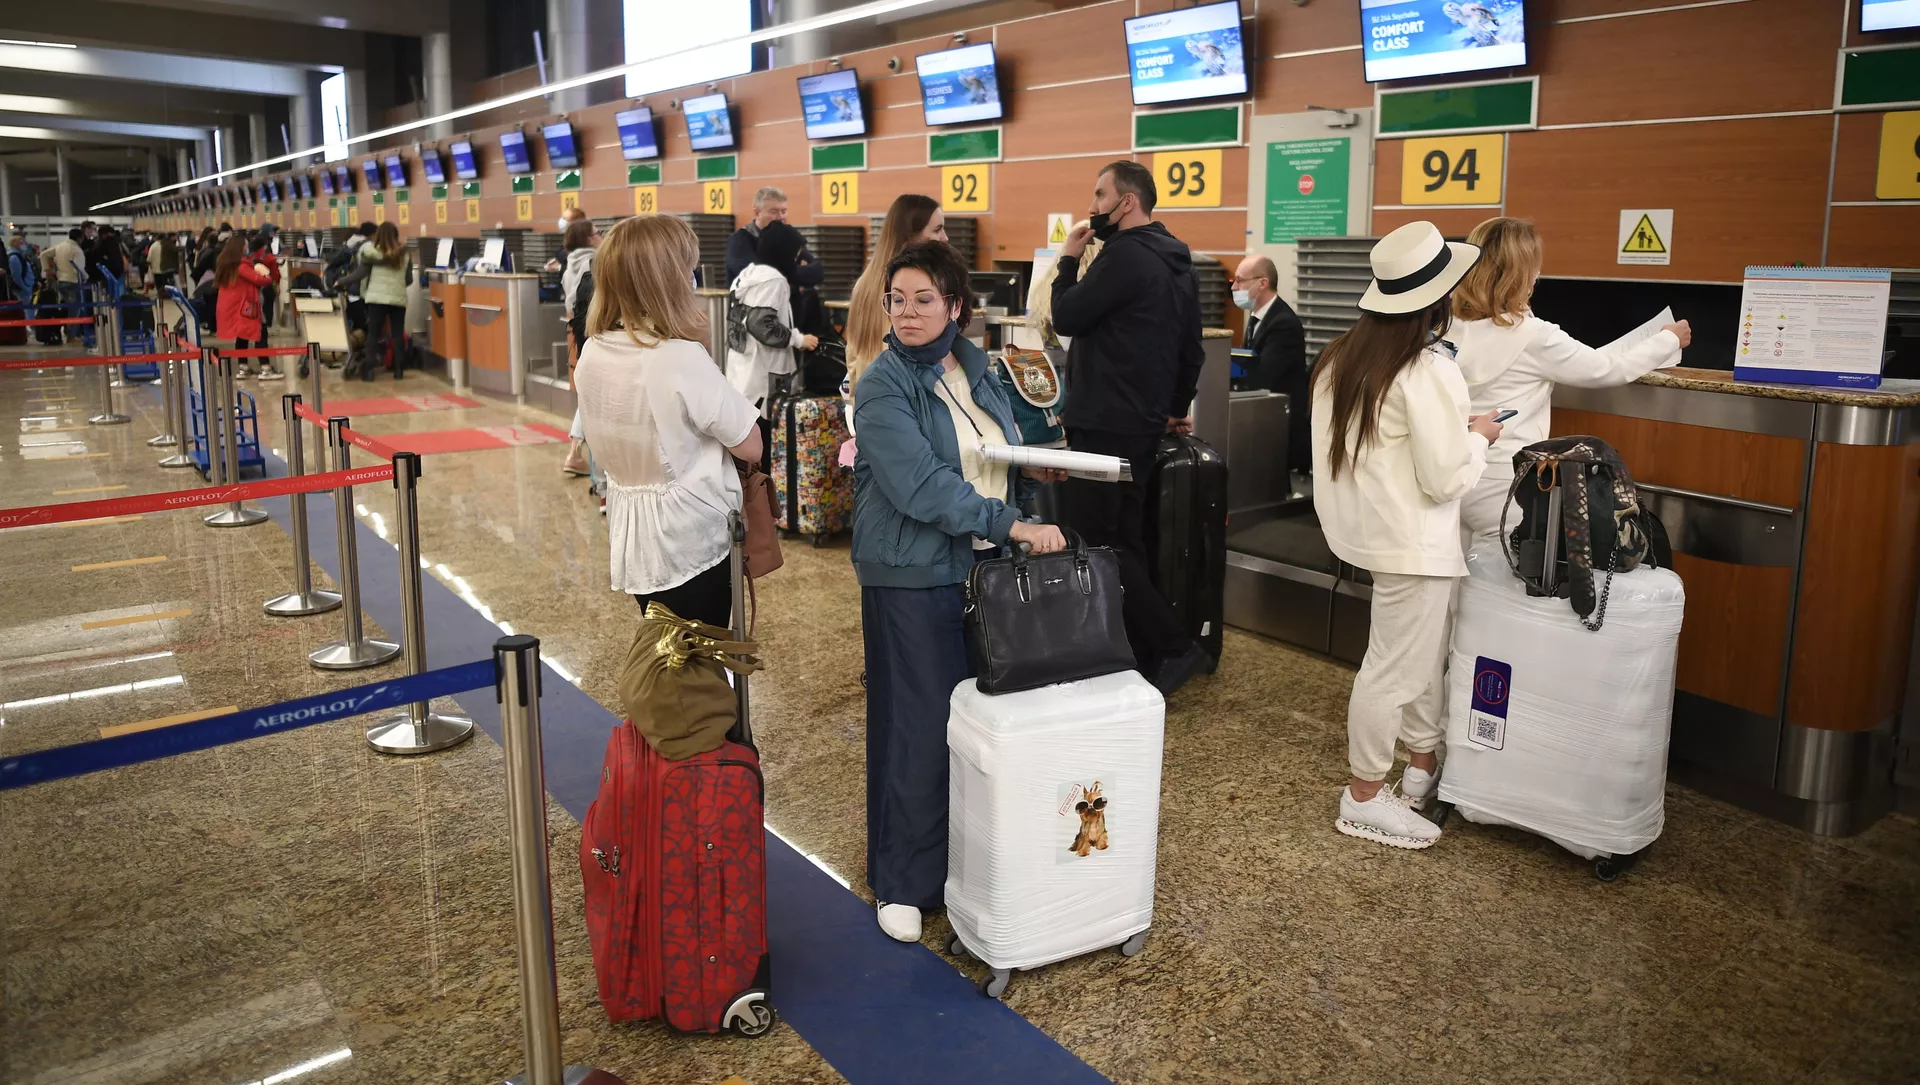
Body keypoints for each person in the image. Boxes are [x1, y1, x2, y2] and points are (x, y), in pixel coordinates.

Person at [852, 239, 1068, 943]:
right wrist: (1010, 525)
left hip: (982, 571)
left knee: (975, 726)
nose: (907, 313)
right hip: (912, 576)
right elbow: (921, 485)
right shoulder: (883, 385)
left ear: (955, 305)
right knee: (916, 727)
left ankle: (964, 865)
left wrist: (1036, 476)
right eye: (897, 300)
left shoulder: (979, 369)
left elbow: (998, 452)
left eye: (923, 299)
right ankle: (902, 882)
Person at [1311, 221, 1501, 850]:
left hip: (1368, 534)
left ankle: (1420, 765)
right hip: (1413, 543)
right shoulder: (1426, 370)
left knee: (1411, 657)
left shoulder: (1339, 359)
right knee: (1393, 672)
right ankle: (1364, 796)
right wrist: (1479, 437)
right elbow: (1447, 480)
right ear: (1437, 301)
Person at [1050, 160, 1211, 696]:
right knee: (1126, 537)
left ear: (1127, 202)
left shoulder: (1123, 255)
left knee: (1096, 539)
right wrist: (1172, 405)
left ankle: (1174, 645)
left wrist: (1067, 261)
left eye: (1100, 195)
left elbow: (1067, 316)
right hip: (1140, 424)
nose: (1091, 206)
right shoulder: (1177, 261)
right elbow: (1191, 348)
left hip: (1103, 421)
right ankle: (1139, 647)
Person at [1448, 216, 1690, 543]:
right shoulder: (1534, 336)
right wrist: (1668, 339)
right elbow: (1607, 369)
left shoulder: (1449, 327)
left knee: (1462, 570)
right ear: (1523, 273)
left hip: (1457, 473)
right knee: (1503, 570)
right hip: (1505, 485)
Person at [573, 214, 764, 628]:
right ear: (668, 279)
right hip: (692, 536)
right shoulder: (677, 356)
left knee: (665, 646)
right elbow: (750, 444)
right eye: (688, 268)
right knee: (703, 655)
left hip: (634, 534)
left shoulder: (594, 351)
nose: (693, 279)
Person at [845, 194, 947, 386]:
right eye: (937, 230)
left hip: (866, 392)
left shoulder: (864, 284)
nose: (944, 238)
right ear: (911, 235)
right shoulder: (909, 287)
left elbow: (852, 357)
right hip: (898, 394)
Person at [726, 220, 819, 422]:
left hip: (742, 377)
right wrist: (798, 340)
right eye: (795, 255)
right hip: (762, 384)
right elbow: (761, 325)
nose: (797, 262)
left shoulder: (747, 275)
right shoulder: (773, 280)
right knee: (765, 436)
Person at [1231, 254, 1309, 480]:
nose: (1234, 287)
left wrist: (1228, 371)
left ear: (1262, 283)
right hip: (1261, 409)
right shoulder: (1257, 317)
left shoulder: (1283, 323)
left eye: (1239, 280)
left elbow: (1264, 375)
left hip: (1278, 419)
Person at [348, 221, 412, 381]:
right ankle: (398, 371)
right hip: (397, 298)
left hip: (376, 299)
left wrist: (365, 293)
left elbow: (364, 276)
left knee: (373, 334)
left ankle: (369, 371)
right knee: (397, 333)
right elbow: (408, 279)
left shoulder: (371, 252)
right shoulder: (404, 254)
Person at [560, 216, 599, 478]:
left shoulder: (569, 265)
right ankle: (575, 453)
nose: (600, 236)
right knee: (592, 393)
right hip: (595, 330)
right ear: (588, 239)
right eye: (597, 232)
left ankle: (575, 450)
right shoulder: (593, 262)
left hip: (578, 331)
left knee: (588, 391)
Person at [724, 186, 824, 288]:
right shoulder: (740, 240)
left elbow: (817, 271)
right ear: (757, 213)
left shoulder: (787, 238)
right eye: (774, 211)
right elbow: (757, 277)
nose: (780, 217)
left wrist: (785, 273)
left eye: (783, 211)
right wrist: (795, 273)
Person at [213, 234, 274, 377]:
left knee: (242, 336)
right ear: (240, 247)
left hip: (236, 307)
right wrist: (267, 275)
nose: (247, 247)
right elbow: (260, 280)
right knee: (260, 333)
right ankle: (265, 367)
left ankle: (243, 367)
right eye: (245, 245)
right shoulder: (241, 266)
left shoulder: (227, 265)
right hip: (247, 307)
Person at [43, 228, 87, 340]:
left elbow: (43, 254)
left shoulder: (60, 246)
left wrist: (47, 269)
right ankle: (72, 336)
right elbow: (78, 269)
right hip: (73, 282)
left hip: (61, 281)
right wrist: (86, 277)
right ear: (80, 238)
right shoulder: (77, 250)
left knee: (65, 309)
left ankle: (65, 332)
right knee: (74, 311)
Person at [545, 206, 587, 272]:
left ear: (575, 223)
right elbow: (563, 256)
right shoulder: (568, 239)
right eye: (562, 218)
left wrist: (559, 267)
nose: (561, 221)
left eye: (565, 219)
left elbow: (578, 268)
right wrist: (556, 261)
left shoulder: (582, 243)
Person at [6, 229, 35, 307]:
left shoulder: (21, 255)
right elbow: (16, 277)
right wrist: (25, 288)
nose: (24, 244)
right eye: (21, 242)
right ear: (15, 243)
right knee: (25, 310)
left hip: (26, 288)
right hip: (21, 291)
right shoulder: (14, 257)